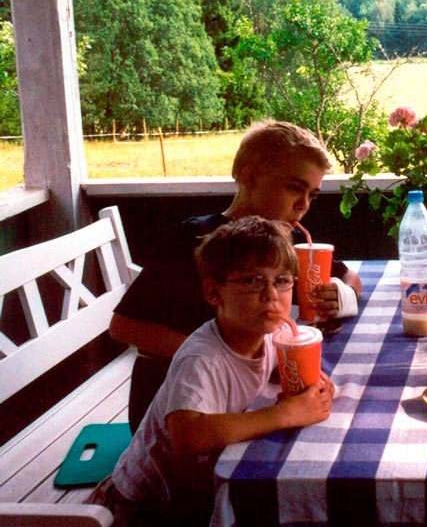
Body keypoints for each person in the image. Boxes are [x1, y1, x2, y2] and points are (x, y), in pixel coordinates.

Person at [110, 120, 361, 432]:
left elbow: (351, 277)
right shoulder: (194, 240)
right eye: (294, 188)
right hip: (176, 414)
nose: (304, 205)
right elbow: (123, 327)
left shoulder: (283, 240)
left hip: (246, 394)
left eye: (312, 194)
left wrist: (338, 293)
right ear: (250, 177)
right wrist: (228, 359)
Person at [89, 217, 335, 526]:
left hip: (198, 486)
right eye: (252, 281)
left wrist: (311, 386)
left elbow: (271, 369)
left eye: (282, 280)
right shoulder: (203, 357)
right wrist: (285, 414)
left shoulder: (268, 334)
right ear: (214, 293)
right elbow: (187, 435)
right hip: (144, 505)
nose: (271, 294)